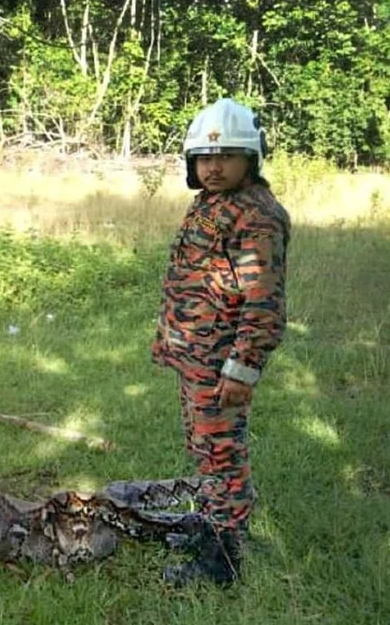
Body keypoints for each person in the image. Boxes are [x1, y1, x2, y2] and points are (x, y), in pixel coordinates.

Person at [151, 98, 290, 586]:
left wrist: (242, 367)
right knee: (205, 447)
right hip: (195, 355)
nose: (213, 167)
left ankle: (222, 559)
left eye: (226, 156)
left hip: (220, 362)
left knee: (221, 454)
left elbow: (264, 302)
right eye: (204, 158)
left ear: (250, 158)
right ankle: (212, 524)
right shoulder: (212, 203)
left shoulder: (257, 216)